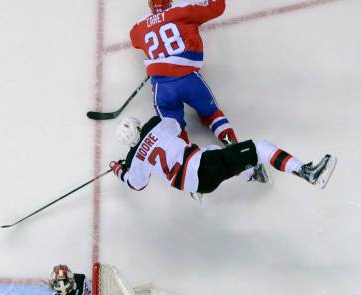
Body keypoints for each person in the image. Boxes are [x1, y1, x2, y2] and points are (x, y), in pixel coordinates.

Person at [109, 115, 337, 196]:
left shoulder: (134, 160)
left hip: (196, 185)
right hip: (201, 166)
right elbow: (176, 127)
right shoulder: (154, 123)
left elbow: (135, 184)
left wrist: (118, 168)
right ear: (138, 126)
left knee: (217, 153)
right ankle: (307, 172)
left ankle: (254, 174)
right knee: (260, 147)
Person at [130, 0, 236, 146]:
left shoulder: (140, 26)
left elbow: (134, 39)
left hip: (162, 89)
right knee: (212, 114)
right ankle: (234, 147)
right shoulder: (182, 10)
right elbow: (217, 7)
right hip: (189, 80)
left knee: (174, 132)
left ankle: (185, 161)